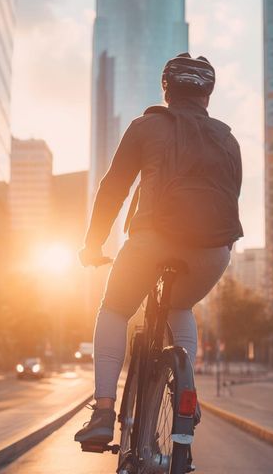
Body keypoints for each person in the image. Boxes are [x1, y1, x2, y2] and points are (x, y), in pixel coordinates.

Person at [74, 53, 243, 445]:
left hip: (151, 240)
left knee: (114, 309)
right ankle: (187, 392)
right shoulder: (228, 138)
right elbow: (231, 198)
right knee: (181, 307)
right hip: (212, 252)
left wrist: (92, 244)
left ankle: (103, 411)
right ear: (207, 96)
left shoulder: (146, 127)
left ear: (166, 90)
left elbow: (114, 189)